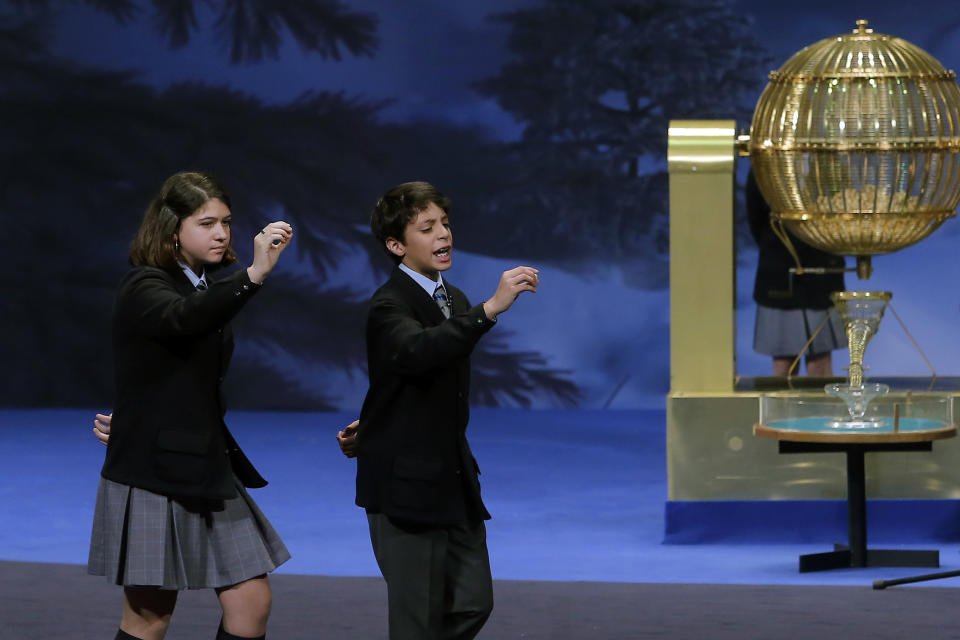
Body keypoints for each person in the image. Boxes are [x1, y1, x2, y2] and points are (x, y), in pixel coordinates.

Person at [88, 171, 293, 640]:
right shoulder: (145, 284)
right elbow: (182, 321)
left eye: (225, 222)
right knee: (149, 617)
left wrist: (140, 413)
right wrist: (255, 273)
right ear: (171, 230)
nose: (221, 233)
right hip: (154, 472)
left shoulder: (203, 285)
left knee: (251, 601)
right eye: (205, 223)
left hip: (204, 465)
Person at [337, 181, 538, 639]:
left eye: (444, 223)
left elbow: (411, 381)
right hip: (403, 485)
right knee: (417, 621)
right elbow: (416, 352)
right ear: (396, 245)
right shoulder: (389, 304)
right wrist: (491, 309)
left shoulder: (456, 300)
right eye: (427, 228)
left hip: (451, 477)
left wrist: (375, 420)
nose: (443, 235)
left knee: (472, 602)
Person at [746, 168, 846, 376]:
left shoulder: (827, 161)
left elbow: (841, 206)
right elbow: (755, 216)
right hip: (779, 273)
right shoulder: (765, 163)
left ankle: (823, 409)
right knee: (783, 364)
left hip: (821, 272)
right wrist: (776, 249)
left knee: (820, 364)